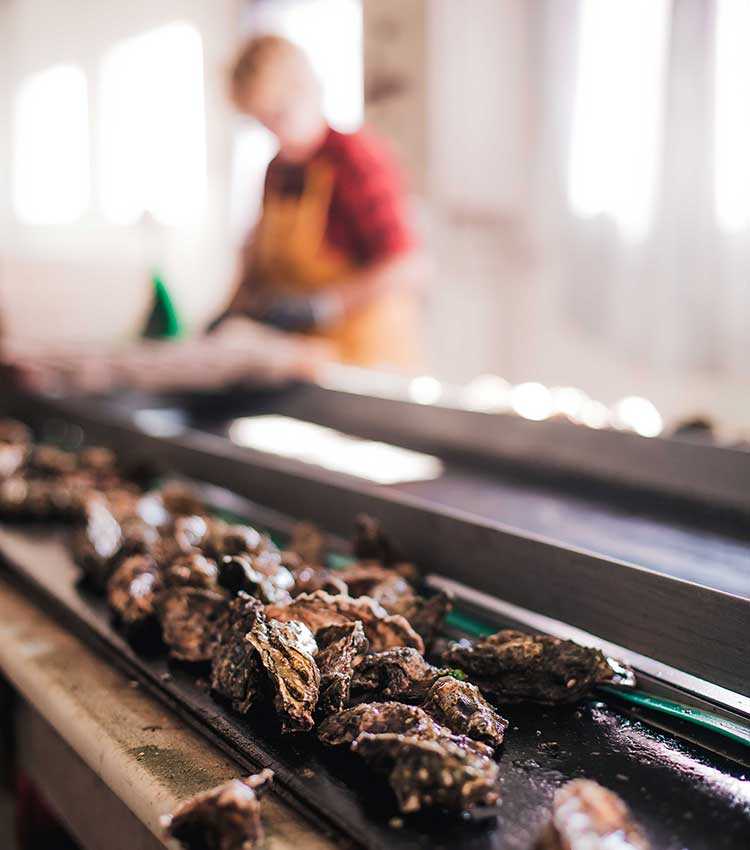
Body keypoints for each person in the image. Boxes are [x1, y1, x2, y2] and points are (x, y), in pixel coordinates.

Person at [210, 35, 425, 370]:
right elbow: (258, 257)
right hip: (305, 358)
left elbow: (406, 265)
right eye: (263, 122)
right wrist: (232, 310)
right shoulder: (278, 169)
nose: (276, 133)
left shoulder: (355, 160)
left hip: (365, 358)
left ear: (308, 90)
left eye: (279, 115)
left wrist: (326, 306)